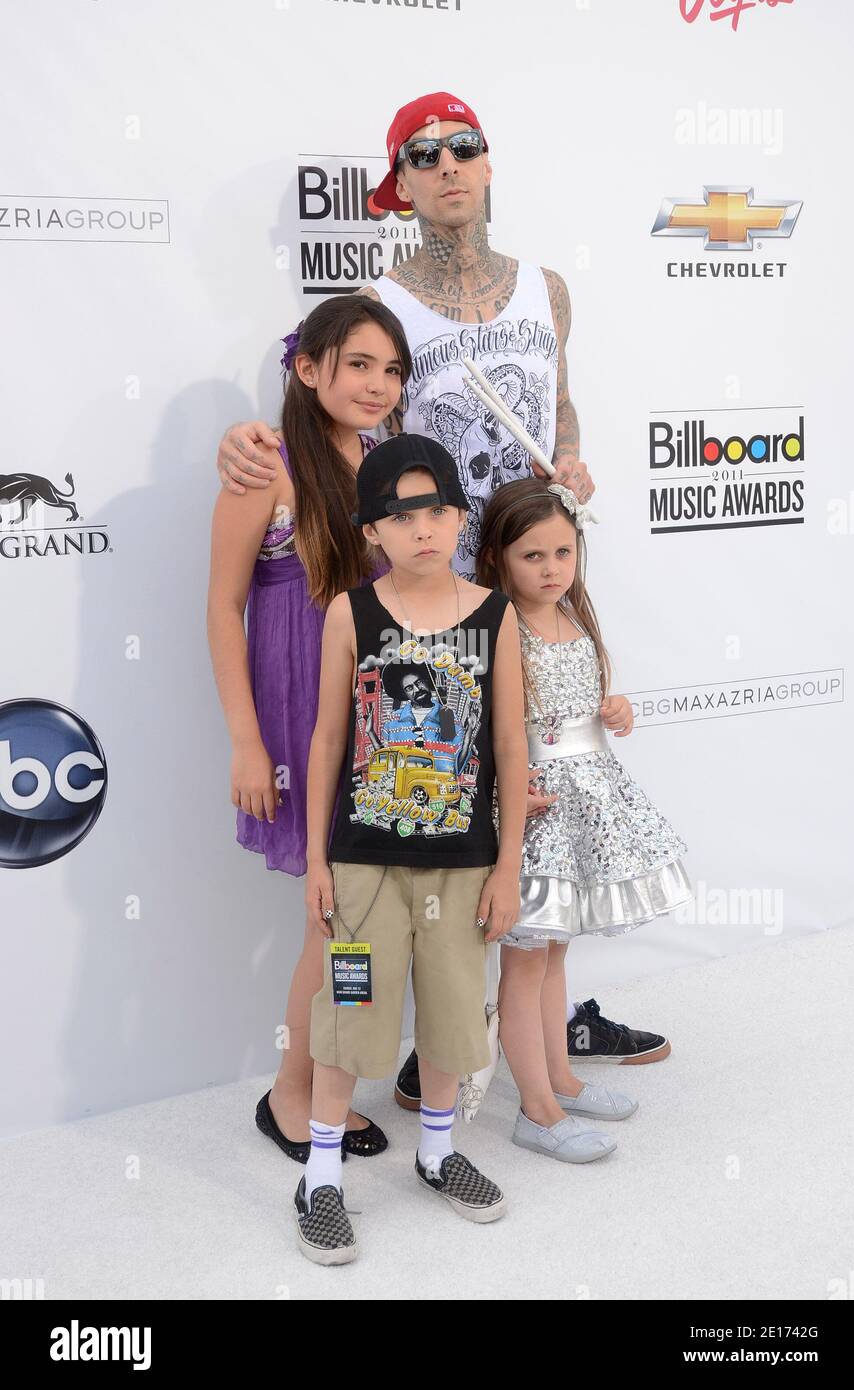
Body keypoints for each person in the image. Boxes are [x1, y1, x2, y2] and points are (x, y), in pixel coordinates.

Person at [213, 90, 671, 1086]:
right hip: (434, 610)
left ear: (488, 163)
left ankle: (543, 1020)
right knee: (451, 829)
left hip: (538, 584)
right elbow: (325, 418)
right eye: (424, 154)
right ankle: (442, 1051)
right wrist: (242, 442)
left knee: (550, 807)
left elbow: (560, 403)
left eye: (465, 147)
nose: (449, 164)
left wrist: (571, 458)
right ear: (400, 185)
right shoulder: (382, 300)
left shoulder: (545, 288)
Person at [295, 435, 528, 1263]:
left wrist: (508, 865)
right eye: (402, 514)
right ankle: (321, 1176)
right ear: (373, 532)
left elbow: (508, 744)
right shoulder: (349, 614)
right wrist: (318, 860)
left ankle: (436, 1152)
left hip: (463, 866)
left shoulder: (495, 616)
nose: (422, 527)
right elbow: (327, 739)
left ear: (459, 517)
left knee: (454, 1015)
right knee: (349, 1015)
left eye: (437, 510)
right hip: (364, 863)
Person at [207, 295, 411, 1163]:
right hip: (301, 718)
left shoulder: (392, 463)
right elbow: (222, 609)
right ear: (308, 367)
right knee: (334, 919)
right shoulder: (268, 465)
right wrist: (247, 742)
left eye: (391, 369)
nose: (377, 384)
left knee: (361, 916)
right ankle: (293, 1096)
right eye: (358, 364)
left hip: (384, 717)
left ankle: (332, 1083)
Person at [475, 477, 693, 1161]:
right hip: (536, 813)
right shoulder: (502, 625)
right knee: (524, 964)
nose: (550, 569)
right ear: (499, 560)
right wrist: (506, 799)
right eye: (532, 556)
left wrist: (613, 709)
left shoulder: (575, 615)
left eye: (562, 553)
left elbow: (583, 700)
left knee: (556, 954)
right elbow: (490, 729)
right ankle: (534, 1110)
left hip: (587, 805)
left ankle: (561, 1079)